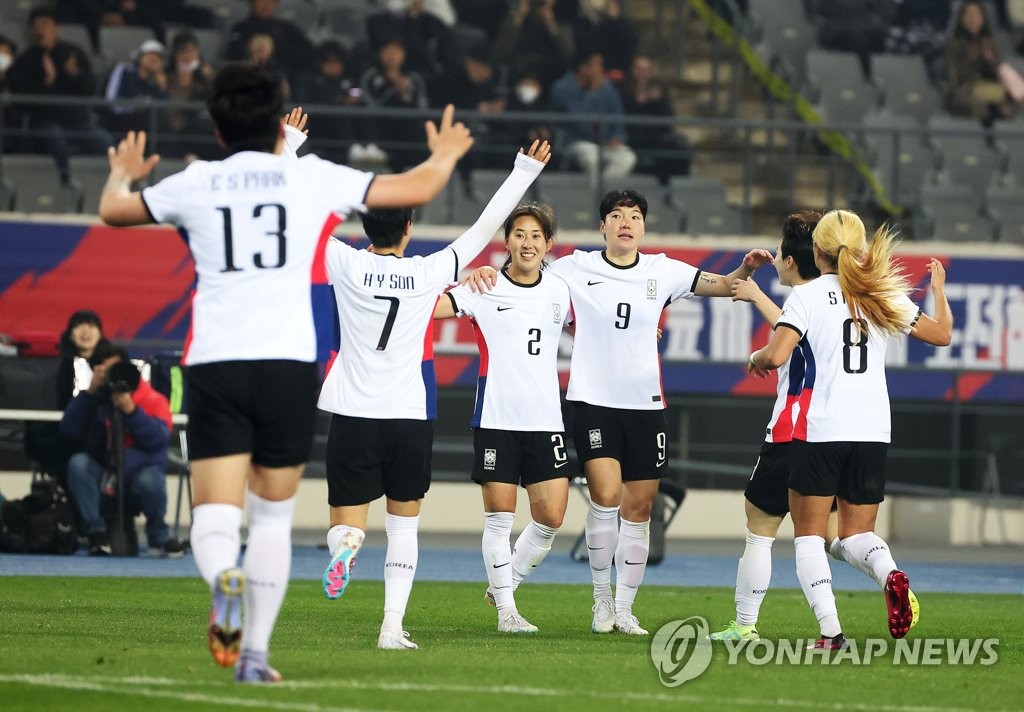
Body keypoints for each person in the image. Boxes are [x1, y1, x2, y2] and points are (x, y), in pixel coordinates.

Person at [96, 63, 475, 681]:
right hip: (288, 367)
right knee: (272, 514)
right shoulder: (312, 182)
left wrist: (122, 171)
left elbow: (113, 210)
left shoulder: (196, 182)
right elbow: (416, 188)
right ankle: (254, 656)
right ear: (276, 121)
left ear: (217, 128)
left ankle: (225, 576)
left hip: (217, 360)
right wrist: (444, 155)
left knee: (217, 514)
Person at [469, 189, 772, 635]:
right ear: (603, 226)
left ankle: (625, 609)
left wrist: (746, 269)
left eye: (634, 216)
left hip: (646, 404)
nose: (626, 222)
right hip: (592, 401)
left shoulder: (663, 270)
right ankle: (601, 603)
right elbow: (524, 275)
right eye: (616, 215)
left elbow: (724, 285)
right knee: (606, 497)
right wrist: (482, 273)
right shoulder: (575, 267)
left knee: (641, 507)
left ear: (643, 227)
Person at [317, 140, 551, 651]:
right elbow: (487, 226)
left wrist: (289, 148)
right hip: (407, 415)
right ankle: (390, 628)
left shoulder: (344, 264)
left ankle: (346, 547)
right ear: (408, 230)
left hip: (353, 412)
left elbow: (303, 216)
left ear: (364, 228)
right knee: (404, 528)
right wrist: (523, 170)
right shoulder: (427, 273)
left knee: (346, 522)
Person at [748, 209, 952, 649]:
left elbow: (779, 354)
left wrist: (757, 360)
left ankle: (830, 632)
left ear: (816, 251)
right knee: (856, 533)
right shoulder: (880, 291)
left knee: (808, 538)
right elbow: (941, 335)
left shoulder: (807, 295)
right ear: (860, 250)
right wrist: (937, 291)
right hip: (874, 430)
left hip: (822, 428)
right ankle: (889, 573)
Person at [432, 201, 570, 634]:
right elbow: (432, 308)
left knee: (551, 516)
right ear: (506, 240)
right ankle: (507, 613)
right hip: (496, 418)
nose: (527, 243)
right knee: (500, 517)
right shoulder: (483, 286)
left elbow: (586, 325)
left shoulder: (561, 289)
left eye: (535, 236)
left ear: (548, 244)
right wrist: (456, 278)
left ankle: (503, 582)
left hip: (546, 418)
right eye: (519, 234)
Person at [60, 343, 176, 557]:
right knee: (79, 464)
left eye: (119, 369)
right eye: (108, 371)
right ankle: (96, 535)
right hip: (104, 474)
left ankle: (158, 538)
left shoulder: (153, 400)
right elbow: (68, 429)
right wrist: (91, 390)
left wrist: (131, 410)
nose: (116, 376)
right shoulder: (97, 399)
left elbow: (159, 440)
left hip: (138, 476)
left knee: (152, 479)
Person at [6, 7, 113, 186]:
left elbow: (89, 88)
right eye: (36, 26)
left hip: (76, 120)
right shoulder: (26, 60)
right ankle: (66, 184)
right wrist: (47, 83)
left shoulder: (72, 54)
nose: (41, 30)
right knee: (55, 140)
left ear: (56, 28)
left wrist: (74, 74)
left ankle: (117, 184)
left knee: (104, 141)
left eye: (45, 24)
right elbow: (22, 95)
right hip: (44, 120)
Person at [23, 309, 111, 491]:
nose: (85, 331)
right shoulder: (57, 366)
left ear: (100, 333)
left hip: (104, 437)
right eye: (79, 326)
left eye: (91, 325)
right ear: (70, 334)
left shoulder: (113, 364)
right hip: (65, 436)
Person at [549, 51, 637, 189]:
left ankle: (605, 195)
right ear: (583, 68)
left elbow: (617, 116)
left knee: (627, 157)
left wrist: (616, 137)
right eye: (597, 65)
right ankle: (597, 198)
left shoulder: (607, 87)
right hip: (574, 141)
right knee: (592, 156)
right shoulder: (562, 88)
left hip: (604, 142)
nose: (601, 69)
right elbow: (580, 122)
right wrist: (594, 93)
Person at [617, 54, 691, 203]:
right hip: (633, 136)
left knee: (678, 146)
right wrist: (638, 102)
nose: (642, 73)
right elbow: (622, 116)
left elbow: (668, 118)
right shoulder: (624, 90)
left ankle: (669, 189)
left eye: (645, 69)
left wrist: (657, 101)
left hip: (656, 136)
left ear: (651, 71)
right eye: (638, 69)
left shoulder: (659, 92)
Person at [359, 36, 431, 172]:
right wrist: (392, 89)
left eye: (397, 51)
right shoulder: (371, 76)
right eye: (388, 50)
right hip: (382, 132)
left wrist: (405, 92)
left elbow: (422, 108)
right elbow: (370, 104)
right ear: (380, 53)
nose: (392, 55)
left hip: (409, 136)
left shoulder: (414, 79)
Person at [944, 0, 1018, 122]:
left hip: (989, 88)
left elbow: (998, 73)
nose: (973, 19)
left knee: (1008, 101)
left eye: (977, 15)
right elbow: (954, 78)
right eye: (968, 15)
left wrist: (990, 59)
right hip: (964, 91)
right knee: (977, 102)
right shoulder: (953, 46)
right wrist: (971, 56)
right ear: (961, 19)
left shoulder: (990, 44)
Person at [225, 0, 314, 84]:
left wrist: (277, 47)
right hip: (248, 80)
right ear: (253, 2)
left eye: (271, 1)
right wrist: (250, 49)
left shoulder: (287, 29)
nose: (266, 4)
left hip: (284, 79)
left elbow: (307, 54)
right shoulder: (241, 28)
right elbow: (232, 55)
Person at [103, 39, 168, 132]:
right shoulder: (124, 70)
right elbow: (111, 102)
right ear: (140, 56)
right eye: (150, 55)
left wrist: (163, 88)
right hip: (116, 124)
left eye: (158, 57)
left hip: (143, 131)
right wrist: (135, 106)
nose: (154, 59)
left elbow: (162, 111)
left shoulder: (155, 82)